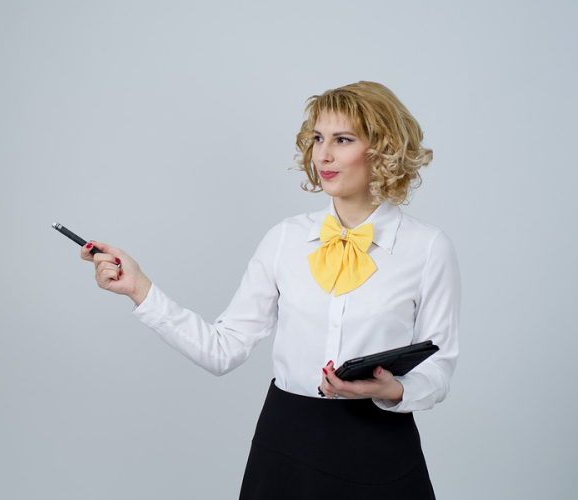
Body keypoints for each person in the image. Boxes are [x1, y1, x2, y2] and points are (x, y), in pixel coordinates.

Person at [80, 81, 460, 499]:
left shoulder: (428, 248)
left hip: (381, 447)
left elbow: (438, 367)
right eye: (318, 138)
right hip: (287, 444)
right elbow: (223, 350)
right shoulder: (285, 239)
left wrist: (395, 390)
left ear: (383, 149)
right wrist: (140, 289)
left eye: (342, 140)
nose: (323, 154)